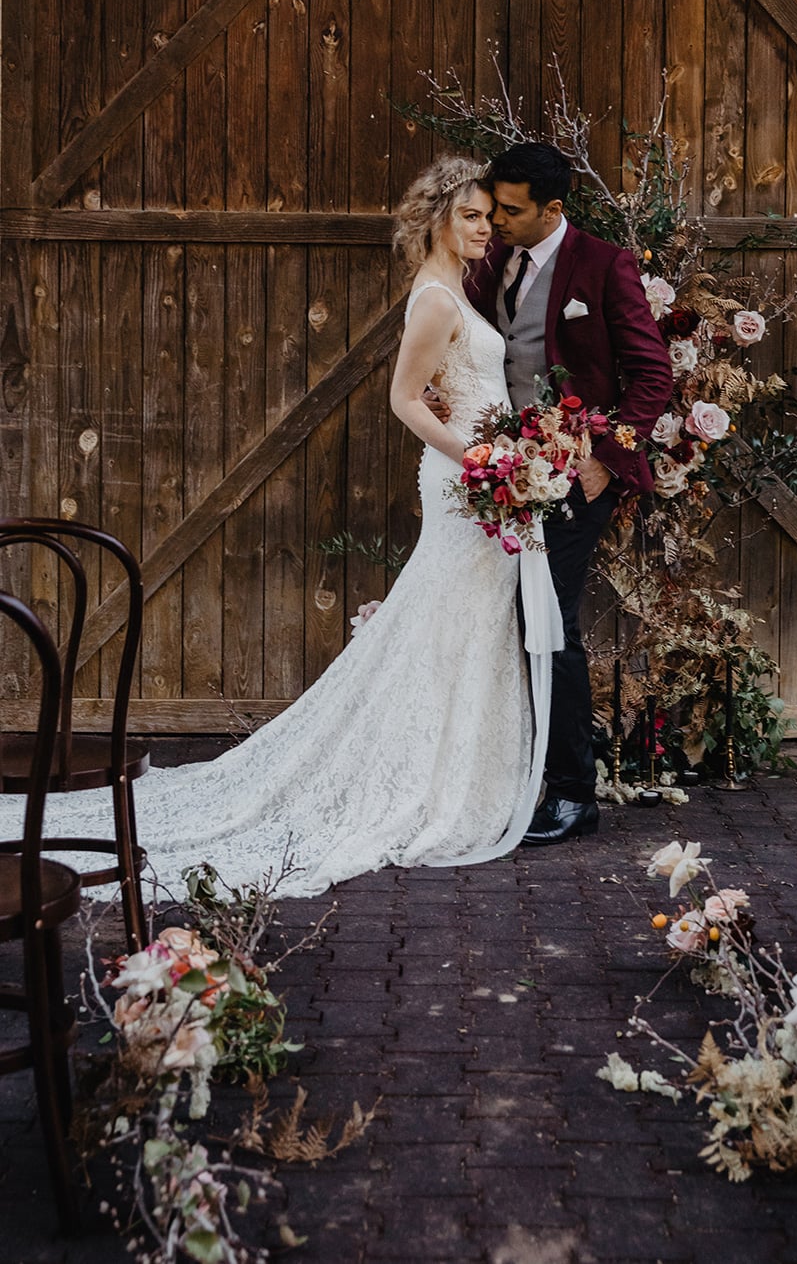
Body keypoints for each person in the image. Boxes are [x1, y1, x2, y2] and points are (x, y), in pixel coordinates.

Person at [5, 157, 557, 899]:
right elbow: (405, 400)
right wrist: (484, 459)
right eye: (470, 216)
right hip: (467, 477)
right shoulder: (434, 299)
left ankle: (451, 767)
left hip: (485, 476)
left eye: (489, 217)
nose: (484, 228)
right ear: (436, 220)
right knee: (445, 618)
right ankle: (419, 776)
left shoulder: (460, 286)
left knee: (461, 623)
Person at [464, 142, 673, 844]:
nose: (499, 221)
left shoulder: (604, 265)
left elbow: (652, 376)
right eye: (494, 207)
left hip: (577, 477)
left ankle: (575, 793)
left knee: (548, 620)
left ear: (555, 208)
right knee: (505, 621)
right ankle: (514, 773)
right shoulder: (492, 258)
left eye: (513, 211)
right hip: (501, 474)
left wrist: (608, 462)